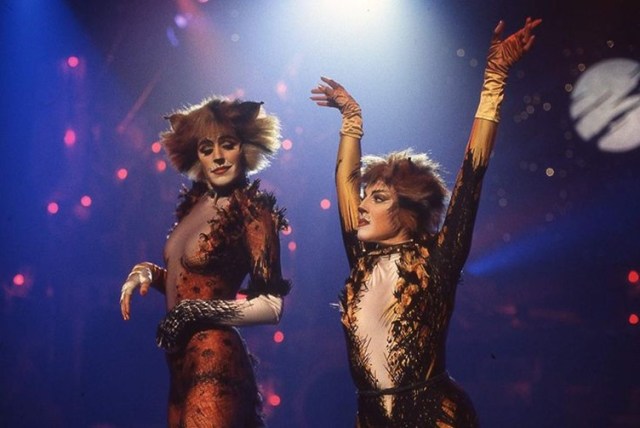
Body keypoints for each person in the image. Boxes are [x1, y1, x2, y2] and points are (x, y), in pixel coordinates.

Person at [310, 17, 541, 427]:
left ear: (409, 212)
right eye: (364, 196)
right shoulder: (362, 259)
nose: (361, 206)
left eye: (378, 198)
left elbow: (471, 178)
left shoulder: (437, 260)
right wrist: (352, 119)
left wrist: (494, 80)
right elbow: (345, 181)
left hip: (435, 418)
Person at [119, 96, 291, 427]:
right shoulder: (194, 206)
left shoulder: (252, 210)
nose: (218, 157)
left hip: (216, 363)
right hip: (179, 370)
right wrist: (149, 273)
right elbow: (191, 284)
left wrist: (197, 312)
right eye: (206, 148)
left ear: (244, 147)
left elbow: (271, 306)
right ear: (195, 156)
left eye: (227, 144)